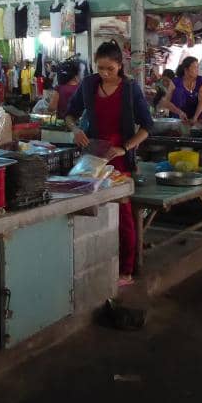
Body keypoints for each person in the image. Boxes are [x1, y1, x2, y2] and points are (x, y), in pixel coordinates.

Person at [64, 40, 154, 287]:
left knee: (123, 211)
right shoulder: (89, 84)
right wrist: (75, 130)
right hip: (92, 158)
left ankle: (126, 270)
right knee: (91, 209)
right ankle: (93, 263)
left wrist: (124, 147)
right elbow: (70, 114)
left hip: (119, 159)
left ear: (119, 66)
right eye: (100, 68)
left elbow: (148, 127)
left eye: (109, 69)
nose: (104, 73)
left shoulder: (130, 89)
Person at [161, 56, 202, 122]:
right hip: (178, 115)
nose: (197, 70)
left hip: (197, 114)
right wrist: (180, 112)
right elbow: (166, 102)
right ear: (186, 70)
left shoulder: (201, 81)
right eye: (195, 67)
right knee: (179, 91)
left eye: (198, 67)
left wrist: (195, 117)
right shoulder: (176, 81)